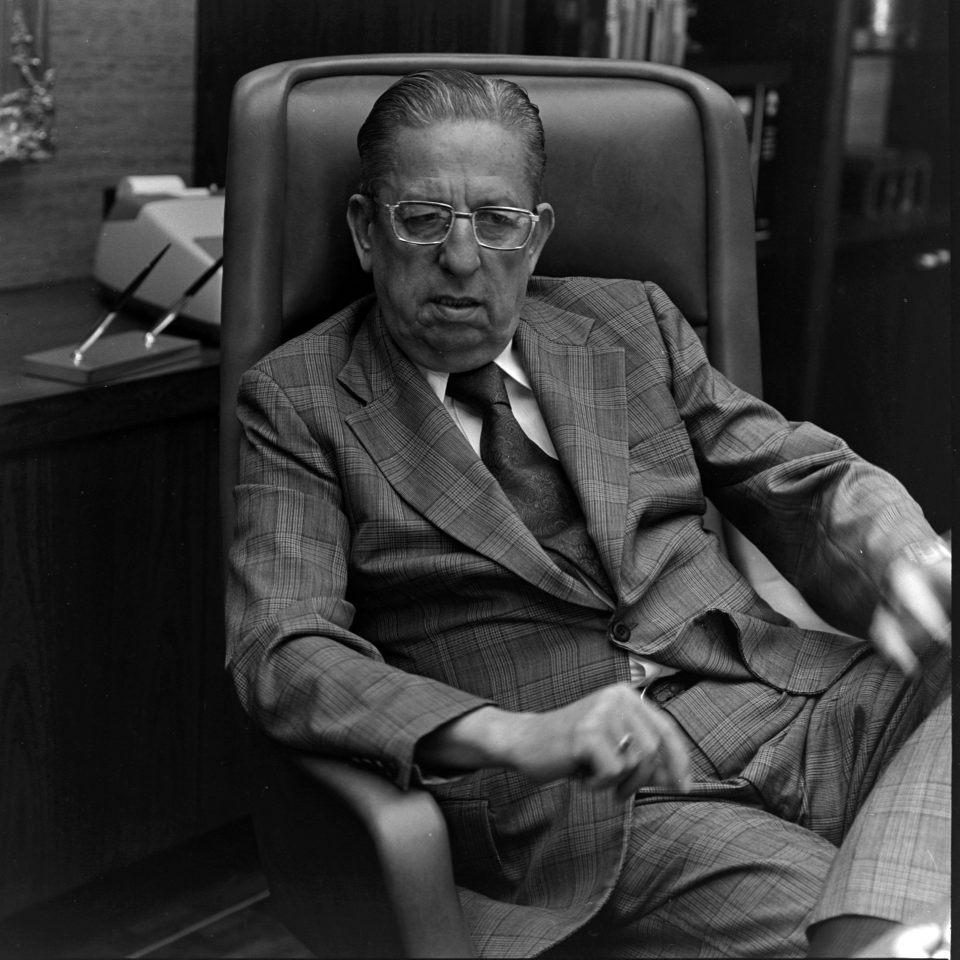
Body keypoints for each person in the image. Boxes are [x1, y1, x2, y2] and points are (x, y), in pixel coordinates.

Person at [225, 68, 951, 958]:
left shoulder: (629, 323)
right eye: (423, 219)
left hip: (786, 705)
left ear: (536, 238)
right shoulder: (298, 400)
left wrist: (912, 558)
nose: (462, 259)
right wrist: (520, 736)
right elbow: (284, 649)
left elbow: (803, 473)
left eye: (496, 222)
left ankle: (891, 926)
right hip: (599, 792)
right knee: (849, 921)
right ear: (366, 231)